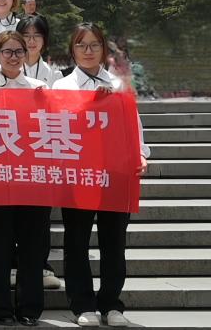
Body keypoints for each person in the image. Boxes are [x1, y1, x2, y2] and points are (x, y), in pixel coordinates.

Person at [53, 23, 149, 328]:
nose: (88, 51)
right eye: (81, 45)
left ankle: (111, 303)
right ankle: (82, 303)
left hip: (115, 173)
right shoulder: (62, 86)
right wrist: (91, 105)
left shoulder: (119, 85)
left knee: (114, 241)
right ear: (73, 50)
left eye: (94, 45)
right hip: (78, 176)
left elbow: (133, 124)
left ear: (104, 49)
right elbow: (55, 128)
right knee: (77, 241)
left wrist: (141, 154)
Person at [0, 31, 49, 326]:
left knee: (32, 248)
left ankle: (30, 308)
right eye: (7, 52)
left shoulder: (40, 89)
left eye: (19, 51)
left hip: (33, 181)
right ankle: (0, 308)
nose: (14, 57)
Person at [17, 15, 59, 87]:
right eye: (26, 36)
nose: (31, 41)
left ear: (44, 39)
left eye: (37, 36)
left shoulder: (54, 75)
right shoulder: (7, 71)